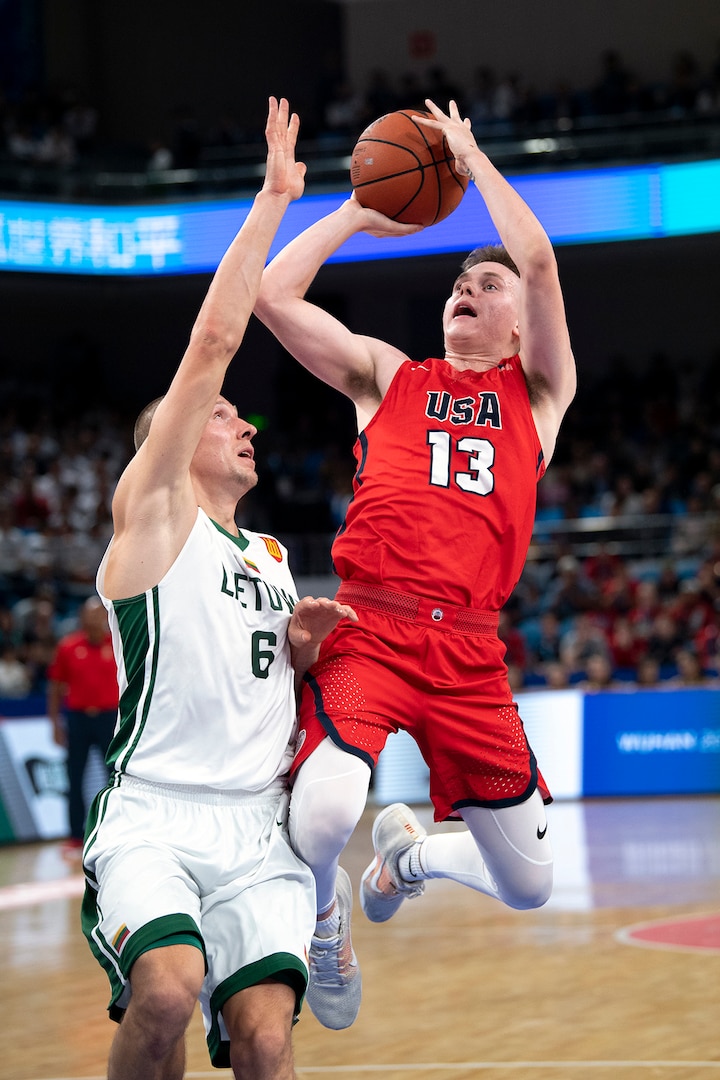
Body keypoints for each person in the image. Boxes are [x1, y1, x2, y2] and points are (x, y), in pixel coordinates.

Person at [255, 98, 577, 1028]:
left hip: (470, 651)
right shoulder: (390, 377)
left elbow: (543, 261)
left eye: (489, 283)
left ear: (518, 324)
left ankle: (410, 858)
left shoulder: (541, 393)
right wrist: (358, 210)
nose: (468, 287)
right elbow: (274, 298)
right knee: (319, 819)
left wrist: (472, 163)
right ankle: (327, 918)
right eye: (458, 284)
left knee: (531, 885)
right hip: (372, 625)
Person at [81, 97, 357, 1080]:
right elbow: (211, 346)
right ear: (171, 440)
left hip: (256, 822)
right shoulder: (153, 513)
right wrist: (275, 199)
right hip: (158, 809)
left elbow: (267, 685)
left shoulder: (276, 561)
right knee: (163, 990)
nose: (244, 426)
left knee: (269, 1040)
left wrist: (307, 650)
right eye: (223, 416)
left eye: (244, 416)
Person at [46, 595, 118, 857]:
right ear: (81, 617)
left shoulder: (117, 644)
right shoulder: (68, 646)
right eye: (89, 614)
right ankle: (76, 836)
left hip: (110, 719)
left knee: (115, 777)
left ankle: (117, 829)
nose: (94, 619)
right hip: (77, 718)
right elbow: (55, 687)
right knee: (74, 777)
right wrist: (55, 723)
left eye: (98, 614)